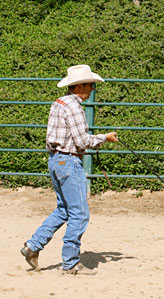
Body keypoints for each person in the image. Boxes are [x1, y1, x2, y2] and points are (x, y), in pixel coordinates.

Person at [20, 64, 118, 275]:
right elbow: (82, 141)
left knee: (64, 209)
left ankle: (33, 246)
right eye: (90, 85)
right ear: (79, 85)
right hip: (69, 162)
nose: (92, 89)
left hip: (56, 161)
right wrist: (105, 138)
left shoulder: (59, 103)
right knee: (79, 214)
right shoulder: (74, 107)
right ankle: (70, 263)